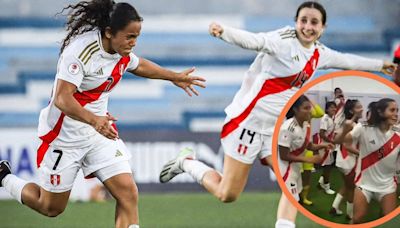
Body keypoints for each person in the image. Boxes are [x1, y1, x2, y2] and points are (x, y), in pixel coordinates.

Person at [159, 1, 395, 226]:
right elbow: (254, 40)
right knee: (227, 194)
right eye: (303, 20)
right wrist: (224, 32)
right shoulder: (283, 40)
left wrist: (379, 65)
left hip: (275, 129)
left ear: (323, 28)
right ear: (296, 22)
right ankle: (186, 162)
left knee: (292, 182)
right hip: (248, 123)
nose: (308, 27)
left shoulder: (318, 53)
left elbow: (346, 61)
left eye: (314, 22)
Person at [0, 1, 205, 228]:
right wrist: (95, 120)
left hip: (98, 133)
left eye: (137, 37)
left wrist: (173, 76)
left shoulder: (121, 51)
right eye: (129, 36)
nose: (133, 43)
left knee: (128, 193)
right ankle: (4, 177)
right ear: (109, 32)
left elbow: (139, 65)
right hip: (64, 135)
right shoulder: (81, 52)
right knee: (50, 207)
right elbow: (62, 98)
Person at [334, 98, 399, 224]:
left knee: (388, 220)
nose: (396, 113)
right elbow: (338, 141)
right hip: (364, 184)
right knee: (357, 219)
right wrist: (345, 129)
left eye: (397, 110)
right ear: (380, 112)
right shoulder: (363, 127)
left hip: (387, 186)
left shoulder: (398, 133)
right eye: (392, 110)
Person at [277, 95, 334, 226]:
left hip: (296, 169)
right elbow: (283, 155)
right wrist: (308, 159)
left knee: (294, 200)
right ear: (296, 110)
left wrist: (323, 145)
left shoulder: (305, 124)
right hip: (287, 170)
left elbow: (308, 145)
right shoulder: (288, 128)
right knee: (291, 201)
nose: (310, 111)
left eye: (310, 108)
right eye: (306, 108)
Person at [330, 99, 363, 220]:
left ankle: (334, 206)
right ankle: (350, 214)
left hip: (341, 160)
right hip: (348, 161)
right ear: (351, 110)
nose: (362, 109)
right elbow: (348, 146)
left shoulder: (347, 123)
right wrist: (362, 154)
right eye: (358, 107)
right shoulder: (353, 125)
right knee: (351, 188)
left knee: (346, 185)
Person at [317, 101, 337, 195]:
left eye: (335, 107)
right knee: (327, 166)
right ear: (327, 109)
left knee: (328, 165)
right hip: (325, 146)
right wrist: (331, 141)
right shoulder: (325, 118)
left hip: (328, 145)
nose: (334, 109)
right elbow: (321, 133)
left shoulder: (330, 118)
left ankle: (321, 182)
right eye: (331, 107)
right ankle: (326, 186)